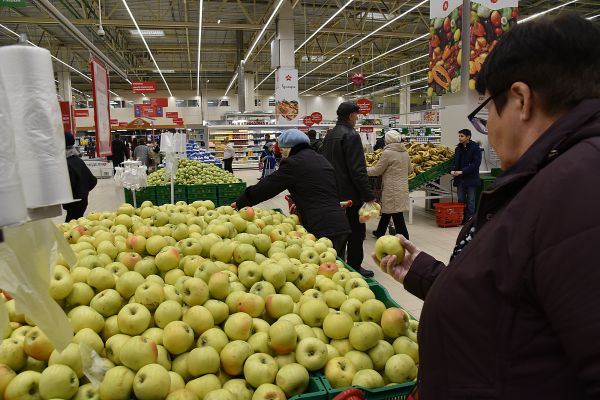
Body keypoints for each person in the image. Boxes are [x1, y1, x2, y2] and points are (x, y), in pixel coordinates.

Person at [376, 13, 600, 398]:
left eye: (486, 114)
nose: (489, 130)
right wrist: (427, 274)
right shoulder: (552, 176)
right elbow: (513, 295)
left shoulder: (581, 185)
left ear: (521, 100)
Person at [234, 129, 350, 253]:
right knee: (336, 265)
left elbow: (268, 186)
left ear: (290, 148)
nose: (282, 153)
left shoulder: (294, 162)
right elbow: (322, 188)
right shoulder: (321, 159)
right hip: (341, 223)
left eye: (283, 149)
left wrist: (242, 201)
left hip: (320, 226)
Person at [321, 101, 377, 277]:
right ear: (351, 116)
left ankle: (336, 263)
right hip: (351, 194)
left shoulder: (329, 135)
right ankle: (354, 265)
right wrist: (369, 195)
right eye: (356, 115)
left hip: (332, 191)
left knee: (337, 230)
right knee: (356, 231)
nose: (357, 119)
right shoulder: (351, 135)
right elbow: (357, 170)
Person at [367, 130, 411, 239]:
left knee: (396, 213)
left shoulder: (388, 152)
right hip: (402, 186)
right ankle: (380, 232)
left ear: (387, 140)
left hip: (392, 187)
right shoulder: (405, 151)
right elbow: (410, 169)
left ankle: (405, 237)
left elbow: (377, 170)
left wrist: (363, 170)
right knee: (388, 210)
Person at [63, 132, 97, 221]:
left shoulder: (66, 164)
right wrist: (83, 192)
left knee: (71, 226)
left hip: (74, 203)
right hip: (82, 201)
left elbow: (69, 185)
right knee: (77, 223)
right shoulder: (78, 161)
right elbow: (93, 181)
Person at [450, 128, 482, 222]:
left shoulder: (475, 148)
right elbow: (455, 162)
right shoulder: (458, 148)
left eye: (462, 136)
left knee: (471, 200)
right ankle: (461, 218)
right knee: (461, 199)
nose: (459, 138)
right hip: (460, 179)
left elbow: (476, 164)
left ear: (468, 137)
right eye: (459, 136)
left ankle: (470, 219)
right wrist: (452, 170)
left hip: (471, 178)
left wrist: (462, 171)